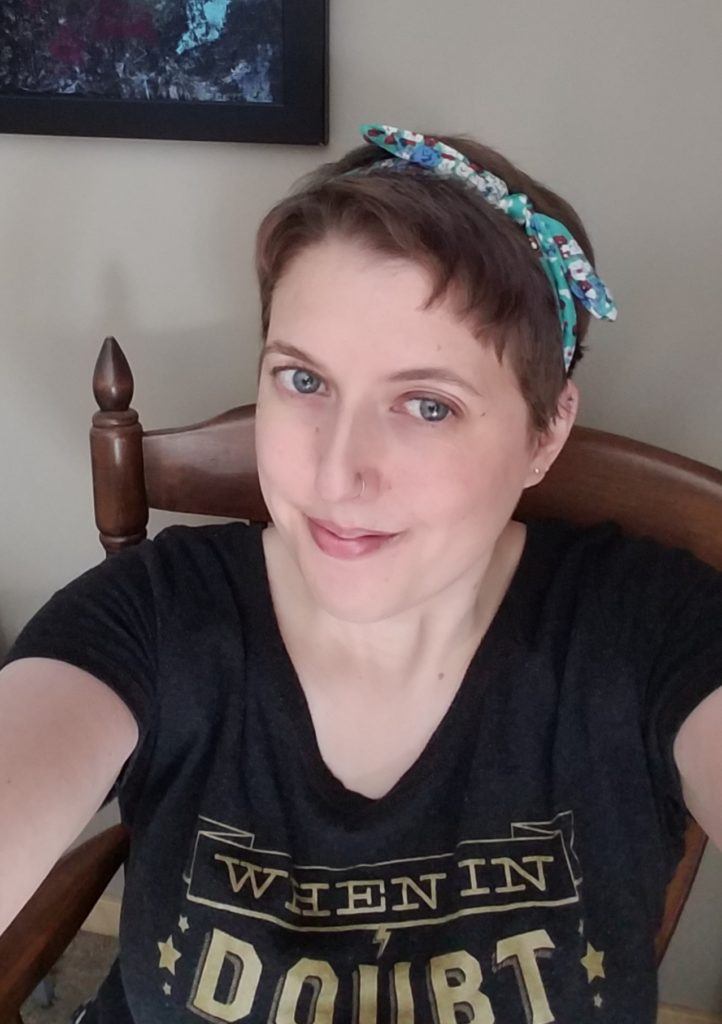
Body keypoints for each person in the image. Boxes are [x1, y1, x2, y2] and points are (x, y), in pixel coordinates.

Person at [1, 123, 721, 1024]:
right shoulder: (150, 617)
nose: (337, 474)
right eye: (303, 382)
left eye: (428, 405)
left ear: (545, 432)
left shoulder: (646, 630)